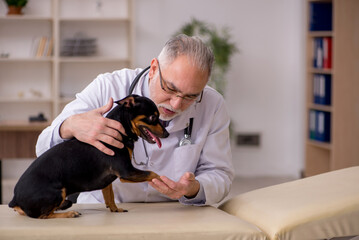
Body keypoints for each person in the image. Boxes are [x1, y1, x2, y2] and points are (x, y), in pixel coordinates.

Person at [36, 34, 234, 206]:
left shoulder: (212, 104)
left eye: (190, 96)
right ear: (154, 68)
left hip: (173, 210)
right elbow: (42, 148)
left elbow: (219, 174)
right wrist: (69, 126)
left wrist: (194, 188)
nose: (175, 104)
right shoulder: (108, 88)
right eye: (170, 89)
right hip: (104, 209)